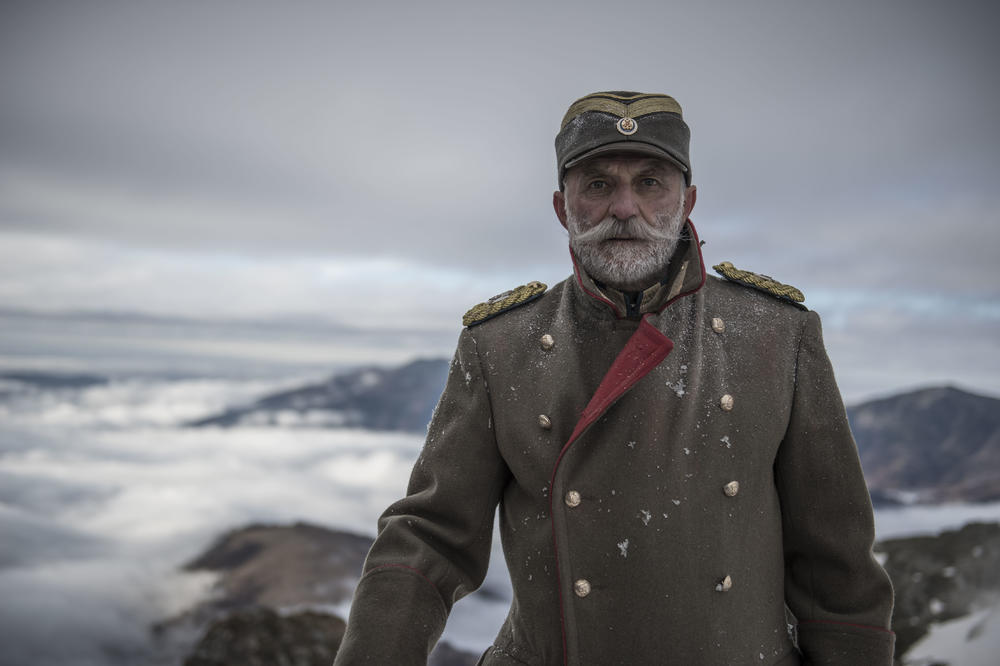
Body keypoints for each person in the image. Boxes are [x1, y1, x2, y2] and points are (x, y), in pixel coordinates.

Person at [333, 91, 895, 665]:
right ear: (562, 207)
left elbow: (838, 565)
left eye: (651, 182)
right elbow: (431, 537)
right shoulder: (499, 344)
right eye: (598, 185)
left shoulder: (777, 334)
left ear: (687, 201)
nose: (625, 208)